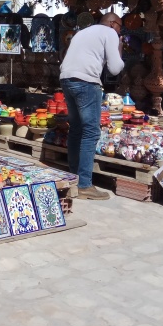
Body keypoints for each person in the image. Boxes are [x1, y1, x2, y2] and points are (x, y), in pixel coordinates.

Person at [59, 12, 125, 200]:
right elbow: (115, 68)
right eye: (120, 26)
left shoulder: (83, 32)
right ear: (112, 24)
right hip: (86, 81)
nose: (121, 31)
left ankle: (74, 175)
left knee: (77, 129)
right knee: (91, 131)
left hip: (67, 79)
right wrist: (119, 48)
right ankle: (84, 185)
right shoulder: (110, 33)